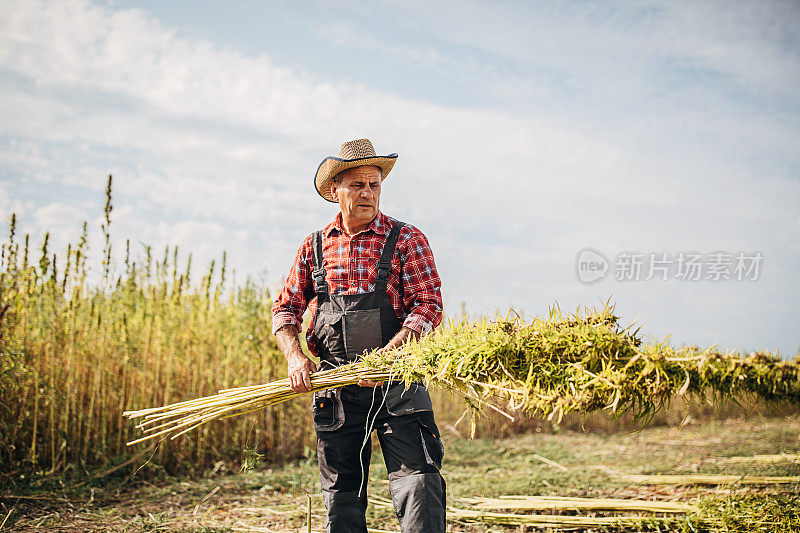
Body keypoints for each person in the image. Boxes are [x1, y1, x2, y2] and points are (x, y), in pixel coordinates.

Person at [271, 138, 446, 533]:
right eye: (357, 185)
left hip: (397, 380)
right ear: (335, 190)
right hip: (337, 387)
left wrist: (390, 354)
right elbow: (285, 309)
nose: (368, 193)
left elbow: (429, 305)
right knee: (341, 496)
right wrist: (295, 358)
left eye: (374, 185)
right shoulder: (314, 247)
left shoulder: (405, 239)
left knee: (419, 484)